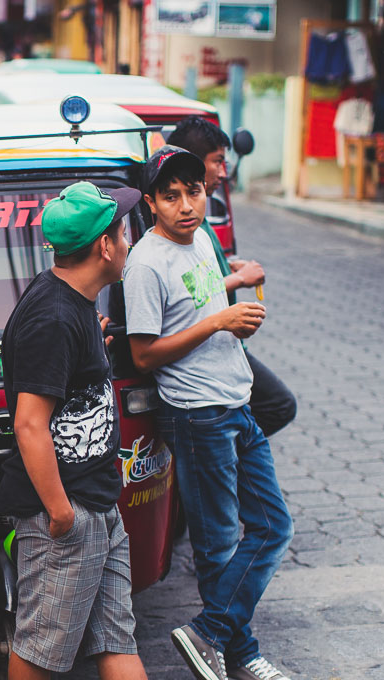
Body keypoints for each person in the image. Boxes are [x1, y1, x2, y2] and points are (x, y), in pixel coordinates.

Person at [0, 181, 251, 680]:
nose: (132, 237)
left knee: (114, 634)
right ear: (105, 245)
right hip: (67, 507)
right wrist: (58, 511)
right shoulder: (52, 317)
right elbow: (29, 424)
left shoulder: (77, 304)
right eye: (125, 230)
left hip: (96, 500)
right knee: (43, 637)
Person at [123, 147, 296, 680]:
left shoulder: (202, 241)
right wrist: (220, 319)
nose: (185, 205)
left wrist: (232, 309)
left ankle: (211, 633)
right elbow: (145, 353)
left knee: (273, 526)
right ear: (151, 203)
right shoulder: (146, 264)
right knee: (220, 542)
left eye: (193, 191)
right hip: (196, 414)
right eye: (170, 196)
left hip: (236, 400)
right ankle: (238, 653)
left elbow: (199, 304)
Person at [166, 115, 297, 438]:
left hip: (223, 345)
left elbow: (199, 270)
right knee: (279, 405)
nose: (223, 172)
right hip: (202, 352)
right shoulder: (181, 222)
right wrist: (238, 280)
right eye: (217, 162)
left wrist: (229, 266)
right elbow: (188, 288)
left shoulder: (200, 215)